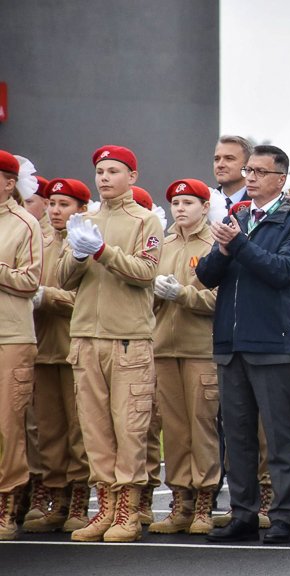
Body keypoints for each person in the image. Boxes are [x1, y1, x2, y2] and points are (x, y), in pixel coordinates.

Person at [198, 145, 290, 545]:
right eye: (248, 170)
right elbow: (207, 276)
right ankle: (243, 513)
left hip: (272, 343)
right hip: (231, 343)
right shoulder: (238, 217)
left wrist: (240, 246)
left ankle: (282, 516)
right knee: (238, 436)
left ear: (280, 180)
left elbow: (283, 272)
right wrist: (225, 248)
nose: (250, 177)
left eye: (260, 172)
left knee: (280, 438)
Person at [57, 146, 163, 543]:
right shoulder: (83, 219)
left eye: (113, 170)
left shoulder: (145, 220)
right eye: (100, 171)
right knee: (96, 430)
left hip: (127, 339)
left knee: (129, 427)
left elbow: (145, 272)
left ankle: (128, 513)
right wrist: (81, 254)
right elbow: (65, 279)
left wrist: (102, 251)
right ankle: (105, 509)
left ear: (132, 177)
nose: (104, 178)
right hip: (86, 337)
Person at [146, 180, 221, 536]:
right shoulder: (162, 243)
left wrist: (182, 295)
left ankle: (205, 500)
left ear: (205, 208)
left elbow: (219, 301)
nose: (180, 208)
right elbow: (146, 296)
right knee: (174, 431)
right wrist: (156, 295)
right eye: (175, 202)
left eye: (188, 202)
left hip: (201, 348)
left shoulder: (215, 244)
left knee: (202, 427)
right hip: (164, 347)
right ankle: (181, 501)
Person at [21, 178, 92, 534]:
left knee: (78, 430)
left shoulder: (85, 243)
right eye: (52, 204)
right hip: (42, 348)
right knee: (47, 431)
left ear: (81, 208)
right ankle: (55, 497)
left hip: (74, 348)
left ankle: (79, 497)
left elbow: (92, 301)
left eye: (65, 204)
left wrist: (47, 297)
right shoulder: (41, 243)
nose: (55, 210)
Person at [0, 151, 44, 541]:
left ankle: (9, 500)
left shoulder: (25, 223)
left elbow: (30, 281)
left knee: (8, 425)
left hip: (11, 334)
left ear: (9, 182)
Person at [214, 135, 253, 209]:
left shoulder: (259, 204)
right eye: (217, 159)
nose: (220, 165)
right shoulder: (204, 203)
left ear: (248, 164)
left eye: (229, 158)